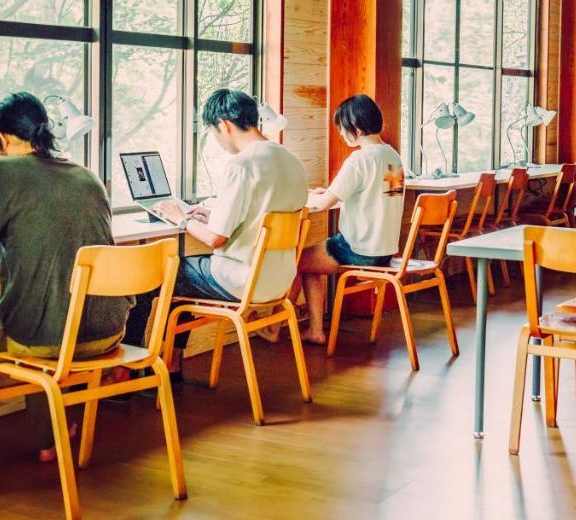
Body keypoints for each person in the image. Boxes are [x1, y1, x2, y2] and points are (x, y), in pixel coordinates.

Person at [0, 92, 128, 462]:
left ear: (2, 139)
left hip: (52, 339)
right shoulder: (86, 175)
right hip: (110, 329)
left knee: (33, 329)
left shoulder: (0, 171)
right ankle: (38, 422)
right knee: (43, 313)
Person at [125, 89, 308, 376]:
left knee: (154, 275)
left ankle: (126, 370)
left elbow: (215, 239)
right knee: (181, 285)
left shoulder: (242, 164)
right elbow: (261, 216)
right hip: (279, 279)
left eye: (214, 132)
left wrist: (181, 218)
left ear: (224, 125)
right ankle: (171, 363)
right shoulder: (290, 160)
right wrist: (210, 214)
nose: (218, 141)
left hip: (240, 279)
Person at [296, 94, 405, 345]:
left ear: (355, 128)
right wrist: (337, 195)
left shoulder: (360, 159)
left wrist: (310, 198)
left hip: (357, 250)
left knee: (298, 260)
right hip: (384, 251)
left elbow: (323, 204)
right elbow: (384, 196)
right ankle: (315, 330)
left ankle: (277, 327)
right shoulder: (392, 156)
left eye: (342, 130)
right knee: (314, 265)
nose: (342, 135)